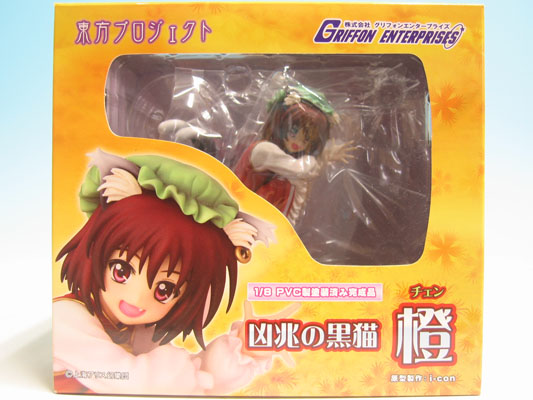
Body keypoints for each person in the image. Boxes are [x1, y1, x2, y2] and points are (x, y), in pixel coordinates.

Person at [53, 149, 293, 395]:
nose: (136, 298)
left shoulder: (138, 332)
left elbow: (198, 379)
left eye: (164, 290)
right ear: (95, 247)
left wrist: (241, 349)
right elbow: (139, 381)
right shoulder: (67, 319)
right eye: (121, 271)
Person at [234, 84, 355, 225]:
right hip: (241, 215)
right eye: (294, 131)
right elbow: (300, 170)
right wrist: (324, 157)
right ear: (281, 124)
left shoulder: (286, 167)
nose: (298, 142)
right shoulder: (264, 150)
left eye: (307, 138)